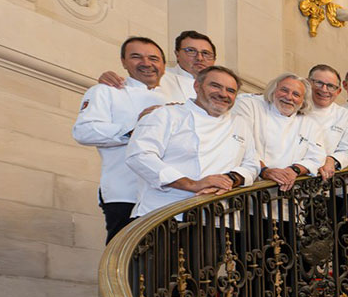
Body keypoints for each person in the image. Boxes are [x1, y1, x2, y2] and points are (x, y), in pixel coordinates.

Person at [125, 64, 255, 219]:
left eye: (231, 91)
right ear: (197, 86)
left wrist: (229, 179)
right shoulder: (167, 114)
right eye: (215, 86)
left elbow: (251, 164)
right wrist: (192, 184)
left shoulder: (240, 123)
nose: (223, 94)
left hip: (219, 217)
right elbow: (139, 155)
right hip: (165, 215)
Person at [74, 36, 170, 239]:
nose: (146, 63)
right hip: (125, 193)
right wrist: (135, 129)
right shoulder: (105, 91)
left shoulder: (176, 98)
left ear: (163, 64)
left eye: (153, 58)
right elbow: (84, 131)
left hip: (170, 195)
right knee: (126, 261)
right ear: (123, 62)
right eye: (136, 57)